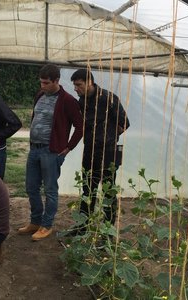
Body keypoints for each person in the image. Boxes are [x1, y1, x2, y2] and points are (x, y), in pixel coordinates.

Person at [18, 64, 83, 240]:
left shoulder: (67, 100)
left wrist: (68, 147)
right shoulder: (40, 95)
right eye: (41, 82)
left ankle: (46, 226)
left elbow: (80, 126)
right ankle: (35, 222)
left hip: (51, 151)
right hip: (34, 149)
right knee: (31, 188)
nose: (42, 86)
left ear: (56, 81)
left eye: (46, 83)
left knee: (50, 190)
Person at [71, 69, 129, 225]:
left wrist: (108, 137)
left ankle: (108, 230)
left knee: (108, 191)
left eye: (79, 85)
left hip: (108, 152)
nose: (76, 89)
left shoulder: (108, 99)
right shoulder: (81, 101)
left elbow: (124, 124)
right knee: (88, 189)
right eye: (74, 85)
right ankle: (83, 225)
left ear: (89, 82)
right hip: (89, 150)